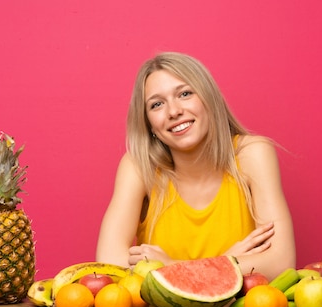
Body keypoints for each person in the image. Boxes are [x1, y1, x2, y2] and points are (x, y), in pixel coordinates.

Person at [96, 52, 295, 280]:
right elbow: (109, 264)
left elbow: (281, 261)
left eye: (185, 93)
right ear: (149, 123)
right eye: (157, 104)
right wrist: (224, 263)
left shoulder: (252, 155)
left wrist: (172, 266)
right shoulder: (139, 167)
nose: (174, 111)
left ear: (209, 98)